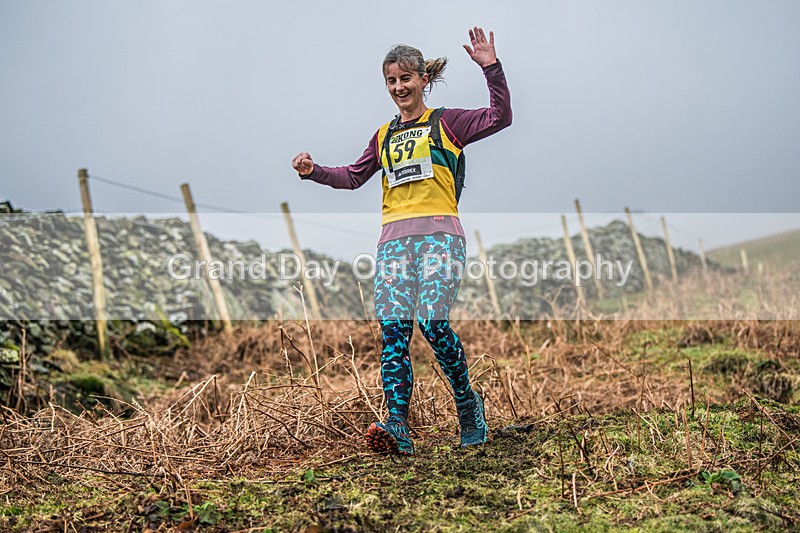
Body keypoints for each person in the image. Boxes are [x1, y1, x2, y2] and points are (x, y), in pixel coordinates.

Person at [291, 27, 511, 456]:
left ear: (423, 79)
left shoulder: (447, 122)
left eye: (406, 79)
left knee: (431, 322)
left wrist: (491, 69)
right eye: (391, 81)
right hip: (393, 245)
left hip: (440, 239)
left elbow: (500, 117)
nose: (398, 88)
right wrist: (313, 170)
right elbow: (353, 177)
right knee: (393, 331)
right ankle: (397, 425)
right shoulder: (384, 135)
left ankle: (468, 406)